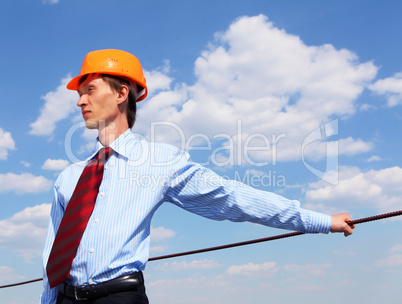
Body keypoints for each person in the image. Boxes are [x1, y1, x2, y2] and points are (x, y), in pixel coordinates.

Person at [38, 49, 355, 304]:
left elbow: (231, 198)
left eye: (90, 90)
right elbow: (53, 253)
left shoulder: (159, 161)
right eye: (79, 93)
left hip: (119, 297)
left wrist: (320, 221)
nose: (80, 100)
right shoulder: (69, 177)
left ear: (121, 93)